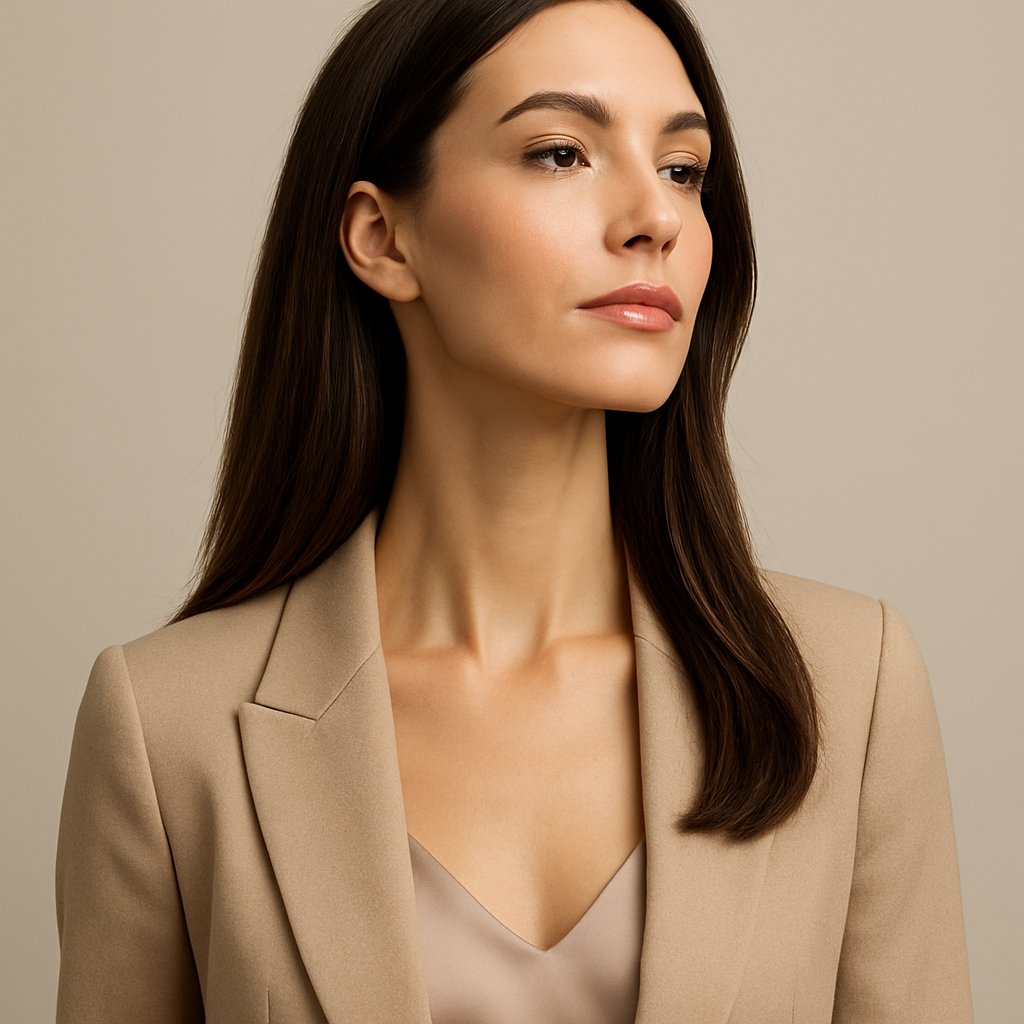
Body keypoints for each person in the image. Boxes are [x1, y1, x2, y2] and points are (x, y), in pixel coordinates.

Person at [54, 0, 974, 1021]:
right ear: (380, 236)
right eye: (559, 153)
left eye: (682, 169)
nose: (655, 217)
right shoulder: (167, 723)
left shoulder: (848, 686)